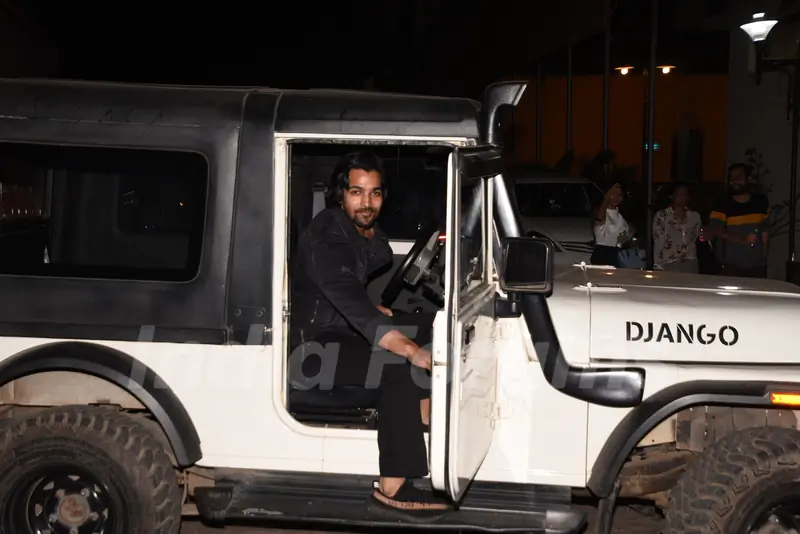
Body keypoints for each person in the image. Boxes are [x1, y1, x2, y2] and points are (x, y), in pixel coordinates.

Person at [289, 150, 451, 514]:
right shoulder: (327, 236)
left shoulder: (357, 230)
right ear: (339, 194)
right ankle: (394, 485)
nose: (367, 202)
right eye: (356, 192)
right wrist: (410, 350)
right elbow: (352, 302)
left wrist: (376, 310)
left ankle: (421, 418)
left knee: (433, 326)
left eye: (375, 193)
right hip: (310, 348)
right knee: (398, 364)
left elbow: (363, 273)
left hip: (341, 327)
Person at [707, 163, 771, 278]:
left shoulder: (760, 201)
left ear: (749, 179)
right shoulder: (721, 203)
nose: (734, 181)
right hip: (730, 266)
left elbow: (764, 229)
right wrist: (743, 239)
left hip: (757, 266)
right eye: (731, 178)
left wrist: (764, 256)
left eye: (738, 178)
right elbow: (716, 229)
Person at [652, 181, 702, 273]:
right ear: (672, 196)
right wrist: (657, 265)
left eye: (685, 194)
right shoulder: (662, 216)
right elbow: (658, 240)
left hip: (690, 263)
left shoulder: (695, 216)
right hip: (669, 263)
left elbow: (698, 238)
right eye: (679, 194)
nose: (682, 197)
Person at [590, 183, 632, 267]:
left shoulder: (621, 216)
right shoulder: (601, 213)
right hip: (603, 256)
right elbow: (599, 219)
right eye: (613, 194)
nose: (616, 198)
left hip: (619, 256)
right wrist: (606, 198)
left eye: (619, 195)